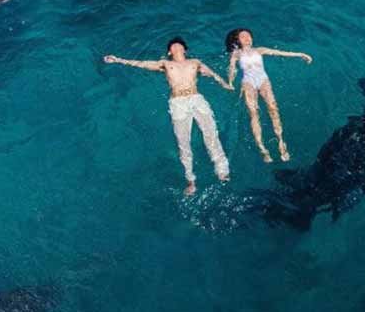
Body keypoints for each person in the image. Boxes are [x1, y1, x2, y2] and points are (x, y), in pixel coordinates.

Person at [104, 37, 233, 196]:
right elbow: (143, 64)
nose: (177, 46)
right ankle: (191, 180)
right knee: (183, 142)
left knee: (211, 135)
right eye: (173, 46)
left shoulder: (195, 62)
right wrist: (118, 60)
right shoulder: (166, 64)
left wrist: (224, 83)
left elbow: (212, 73)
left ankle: (222, 171)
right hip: (178, 102)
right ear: (169, 52)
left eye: (180, 45)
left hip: (197, 98)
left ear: (185, 50)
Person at [225, 28, 312, 163]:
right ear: (238, 41)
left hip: (263, 81)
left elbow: (281, 53)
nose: (247, 38)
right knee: (254, 113)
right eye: (243, 37)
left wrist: (300, 54)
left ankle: (281, 141)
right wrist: (230, 82)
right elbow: (232, 68)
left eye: (249, 36)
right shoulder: (236, 54)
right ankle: (262, 147)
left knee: (273, 108)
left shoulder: (260, 50)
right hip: (248, 83)